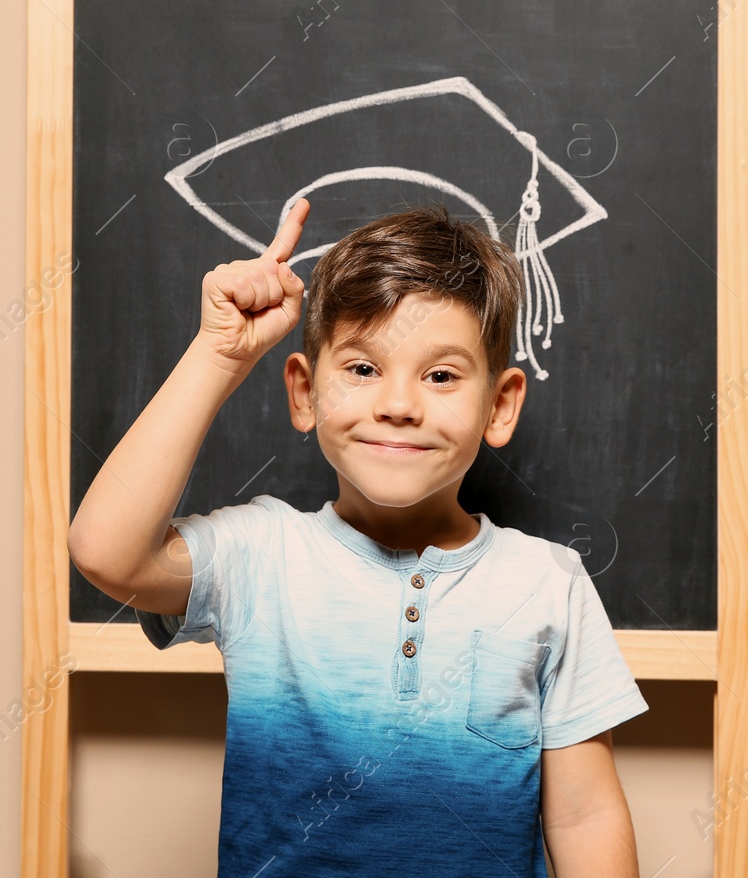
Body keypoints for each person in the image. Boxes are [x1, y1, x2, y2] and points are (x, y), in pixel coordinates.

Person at [68, 196, 648, 877]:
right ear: (305, 394)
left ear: (500, 404)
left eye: (440, 375)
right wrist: (219, 353)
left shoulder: (548, 584)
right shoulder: (262, 556)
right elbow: (106, 550)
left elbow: (584, 813)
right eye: (363, 368)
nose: (398, 405)